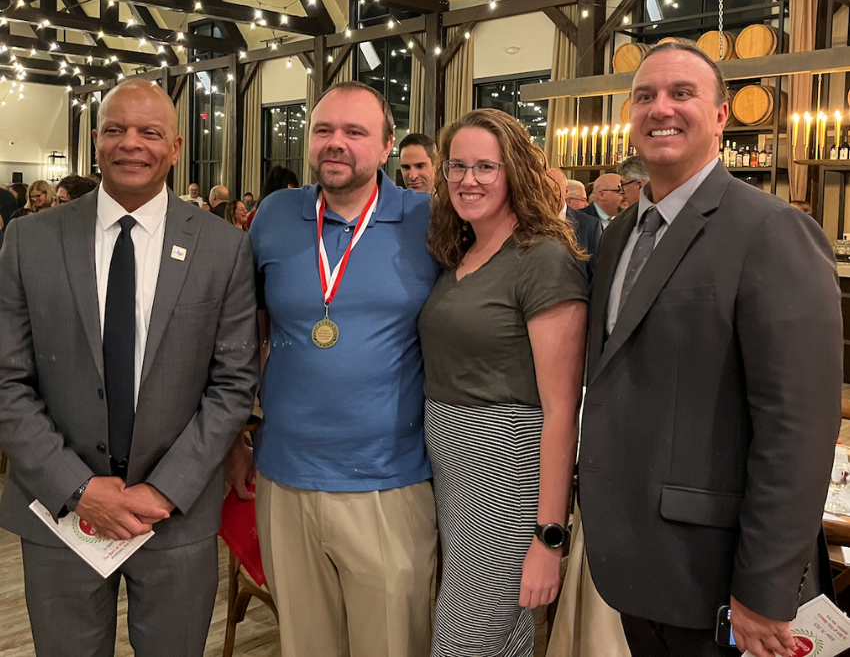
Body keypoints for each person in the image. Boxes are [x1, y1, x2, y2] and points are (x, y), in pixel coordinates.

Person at [578, 41, 842, 657]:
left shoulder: (771, 230)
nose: (660, 108)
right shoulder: (618, 236)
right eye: (644, 95)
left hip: (721, 575)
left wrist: (766, 588)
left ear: (722, 117)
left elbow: (798, 428)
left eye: (681, 93)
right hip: (638, 563)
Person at [0, 78, 260, 657]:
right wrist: (79, 489)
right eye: (115, 130)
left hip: (174, 516)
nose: (130, 144)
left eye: (149, 132)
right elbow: (6, 381)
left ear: (175, 147)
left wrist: (164, 491)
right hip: (60, 514)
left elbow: (234, 383)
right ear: (96, 141)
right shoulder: (29, 240)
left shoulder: (223, 248)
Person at [227, 80, 439, 657]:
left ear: (388, 144)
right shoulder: (275, 215)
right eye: (323, 130)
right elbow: (244, 333)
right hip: (284, 476)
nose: (335, 143)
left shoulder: (432, 220)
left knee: (393, 645)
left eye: (354, 131)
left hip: (390, 481)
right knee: (305, 645)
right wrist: (235, 437)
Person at [418, 108, 587, 657]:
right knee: (499, 642)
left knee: (462, 644)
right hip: (451, 471)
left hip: (503, 471)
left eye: (486, 166)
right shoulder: (461, 253)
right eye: (457, 166)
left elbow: (561, 410)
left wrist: (548, 539)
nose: (469, 180)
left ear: (514, 169)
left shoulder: (544, 258)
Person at [549, 168, 600, 283]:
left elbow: (595, 271)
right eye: (543, 190)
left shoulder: (589, 225)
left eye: (554, 190)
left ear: (566, 191)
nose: (548, 195)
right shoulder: (528, 220)